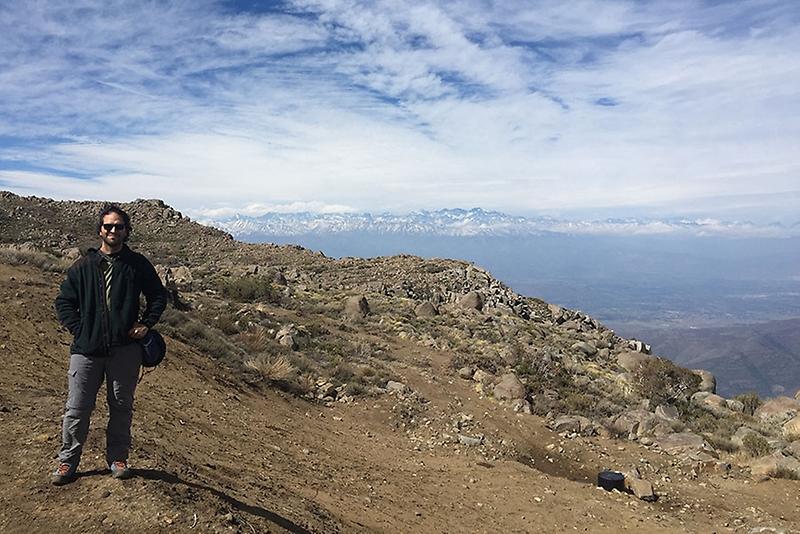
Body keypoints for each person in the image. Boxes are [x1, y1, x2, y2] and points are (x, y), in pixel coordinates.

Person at [51, 204, 167, 485]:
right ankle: (68, 462)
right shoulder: (83, 266)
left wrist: (146, 323)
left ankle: (118, 459)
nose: (113, 230)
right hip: (86, 351)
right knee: (77, 408)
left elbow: (158, 296)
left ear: (127, 231)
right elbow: (63, 302)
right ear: (100, 230)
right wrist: (80, 330)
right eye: (108, 226)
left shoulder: (137, 264)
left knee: (121, 406)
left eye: (118, 226)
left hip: (125, 350)